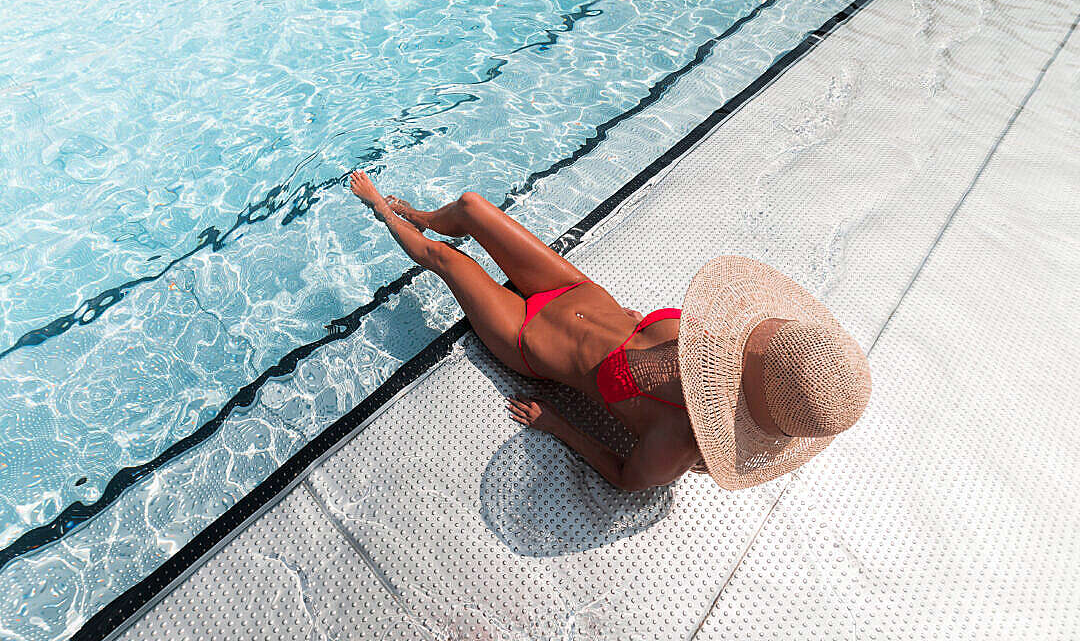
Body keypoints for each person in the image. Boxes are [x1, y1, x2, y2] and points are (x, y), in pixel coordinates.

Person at [348, 170, 871, 492]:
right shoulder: (720, 343)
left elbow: (626, 478)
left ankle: (378, 210)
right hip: (572, 288)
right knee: (470, 207)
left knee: (442, 258)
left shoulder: (678, 440)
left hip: (528, 339)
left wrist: (556, 425)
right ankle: (418, 213)